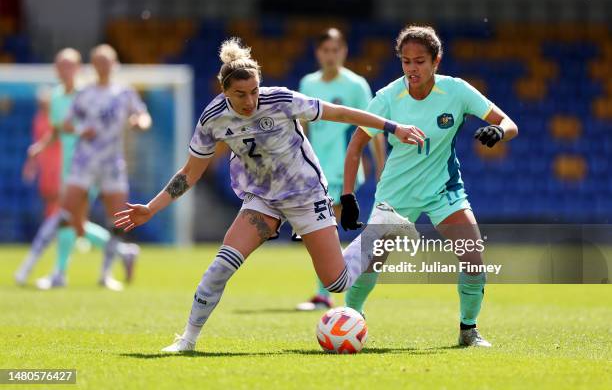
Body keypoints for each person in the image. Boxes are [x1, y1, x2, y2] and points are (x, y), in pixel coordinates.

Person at [114, 38, 425, 352]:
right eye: (240, 94)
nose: (250, 101)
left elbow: (340, 114)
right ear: (224, 92)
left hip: (305, 194)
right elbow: (190, 172)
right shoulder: (212, 120)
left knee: (337, 283)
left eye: (254, 91)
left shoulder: (280, 99)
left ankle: (384, 225)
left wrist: (392, 126)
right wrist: (151, 208)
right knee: (221, 266)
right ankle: (187, 340)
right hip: (262, 199)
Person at [339, 25, 518, 347]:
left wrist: (499, 132)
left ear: (436, 60)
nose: (412, 69)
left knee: (473, 257)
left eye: (419, 61)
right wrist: (348, 196)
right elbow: (355, 146)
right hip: (396, 195)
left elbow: (508, 123)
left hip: (443, 191)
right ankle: (348, 318)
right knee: (370, 262)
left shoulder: (457, 91)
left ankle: (469, 330)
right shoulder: (388, 97)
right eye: (406, 61)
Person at [15, 47, 142, 290]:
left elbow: (137, 114)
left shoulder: (99, 93)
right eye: (59, 65)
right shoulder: (58, 96)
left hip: (99, 164)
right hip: (75, 164)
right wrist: (41, 147)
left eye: (68, 65)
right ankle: (123, 253)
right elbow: (60, 128)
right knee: (75, 222)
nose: (63, 70)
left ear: (78, 67)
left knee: (70, 217)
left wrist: (138, 122)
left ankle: (56, 272)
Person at [295, 27, 386, 311]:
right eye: (326, 50)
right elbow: (303, 129)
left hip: (342, 170)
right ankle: (349, 269)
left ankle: (325, 293)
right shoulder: (308, 83)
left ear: (344, 52)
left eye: (336, 50)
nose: (331, 56)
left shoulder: (356, 86)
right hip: (314, 169)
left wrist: (382, 168)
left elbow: (373, 127)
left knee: (324, 227)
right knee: (320, 230)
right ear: (318, 53)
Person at [22, 87, 61, 218]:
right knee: (48, 196)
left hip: (59, 160)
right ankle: (51, 224)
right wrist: (31, 164)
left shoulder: (56, 117)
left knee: (59, 195)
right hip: (45, 162)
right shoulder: (38, 118)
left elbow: (56, 136)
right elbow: (35, 142)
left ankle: (59, 227)